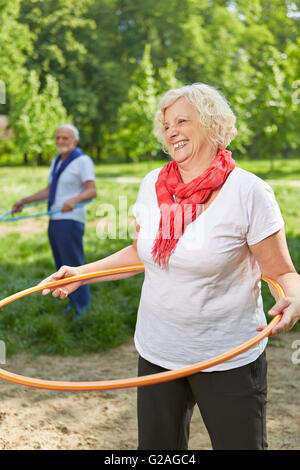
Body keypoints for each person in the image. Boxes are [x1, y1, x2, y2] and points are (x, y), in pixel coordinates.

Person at [40, 84, 300, 450]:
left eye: (182, 120)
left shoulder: (249, 192)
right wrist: (81, 273)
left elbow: (283, 271)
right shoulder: (152, 185)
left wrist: (293, 298)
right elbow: (140, 253)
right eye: (166, 124)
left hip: (227, 358)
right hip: (158, 352)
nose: (171, 130)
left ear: (211, 125)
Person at [13, 124, 97, 318]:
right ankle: (72, 301)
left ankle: (83, 307)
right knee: (62, 265)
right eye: (58, 137)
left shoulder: (82, 161)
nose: (60, 141)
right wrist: (24, 201)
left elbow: (92, 190)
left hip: (71, 219)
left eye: (65, 138)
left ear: (74, 141)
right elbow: (49, 190)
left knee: (74, 264)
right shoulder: (57, 161)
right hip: (55, 218)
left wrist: (74, 200)